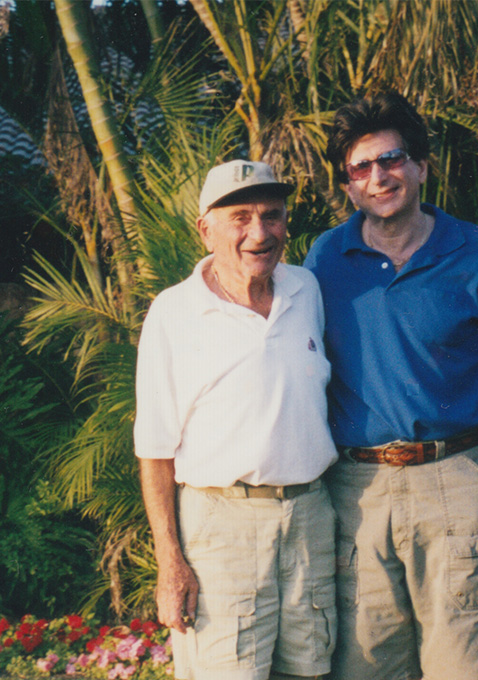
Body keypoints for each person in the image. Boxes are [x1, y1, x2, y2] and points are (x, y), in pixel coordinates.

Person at [303, 93, 478, 680]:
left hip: (456, 481)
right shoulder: (325, 259)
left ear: (420, 167)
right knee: (365, 669)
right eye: (360, 168)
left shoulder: (475, 251)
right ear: (347, 186)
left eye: (391, 160)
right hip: (357, 494)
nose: (378, 177)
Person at [134, 160, 339, 679]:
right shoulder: (173, 312)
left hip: (310, 518)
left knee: (312, 669)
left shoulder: (306, 291)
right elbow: (155, 451)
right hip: (221, 530)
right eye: (240, 217)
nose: (259, 233)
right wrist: (170, 563)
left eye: (272, 216)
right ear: (205, 229)